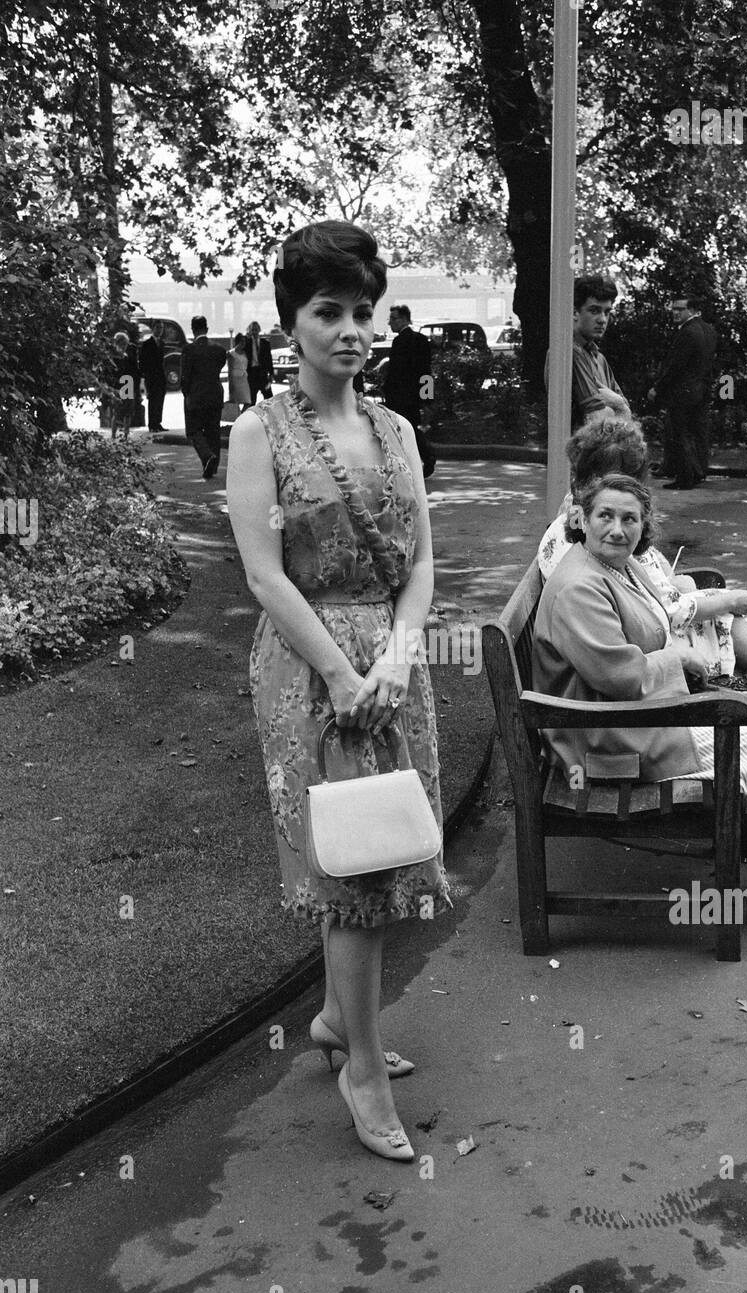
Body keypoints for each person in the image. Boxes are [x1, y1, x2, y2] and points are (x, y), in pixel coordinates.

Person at [226, 220, 450, 1163]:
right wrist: (342, 671)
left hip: (393, 670)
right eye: (329, 312)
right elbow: (264, 574)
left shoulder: (397, 428)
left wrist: (397, 658)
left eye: (364, 310)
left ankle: (332, 1020)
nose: (351, 329)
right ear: (291, 323)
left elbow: (424, 564)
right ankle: (360, 1064)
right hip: (311, 668)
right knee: (350, 878)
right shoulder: (258, 431)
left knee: (387, 853)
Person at [532, 472, 747, 922]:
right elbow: (621, 677)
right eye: (605, 516)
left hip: (634, 713)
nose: (617, 529)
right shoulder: (580, 586)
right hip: (600, 737)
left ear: (644, 525)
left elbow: (657, 625)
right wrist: (678, 660)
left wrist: (680, 659)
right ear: (582, 518)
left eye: (630, 519)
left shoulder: (617, 564)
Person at [538, 417, 747, 739]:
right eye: (625, 479)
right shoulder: (583, 547)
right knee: (732, 625)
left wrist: (681, 589)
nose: (618, 524)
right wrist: (703, 620)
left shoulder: (597, 528)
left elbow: (643, 596)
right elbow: (618, 660)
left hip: (642, 663)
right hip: (619, 708)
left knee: (746, 652)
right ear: (598, 480)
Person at [647, 294, 718, 489]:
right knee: (698, 432)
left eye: (680, 309)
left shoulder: (687, 332)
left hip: (683, 392)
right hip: (702, 390)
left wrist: (657, 388)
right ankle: (699, 472)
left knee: (680, 434)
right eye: (673, 309)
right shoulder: (709, 330)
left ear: (693, 311)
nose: (675, 313)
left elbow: (675, 367)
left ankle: (685, 478)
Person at [544, 273, 631, 428]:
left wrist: (617, 405)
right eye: (594, 310)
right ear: (574, 312)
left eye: (606, 312)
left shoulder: (599, 357)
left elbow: (624, 410)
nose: (603, 319)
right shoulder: (567, 350)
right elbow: (598, 420)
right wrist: (618, 404)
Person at [382, 305, 436, 477]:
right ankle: (425, 457)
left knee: (406, 429)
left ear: (404, 319)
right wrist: (427, 398)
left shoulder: (399, 342)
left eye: (393, 319)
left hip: (400, 396)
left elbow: (395, 374)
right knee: (410, 428)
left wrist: (387, 391)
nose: (390, 323)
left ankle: (427, 456)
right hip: (414, 396)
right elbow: (426, 371)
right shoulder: (421, 340)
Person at [181, 315, 227, 479]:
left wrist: (186, 393)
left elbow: (185, 377)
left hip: (196, 394)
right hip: (215, 393)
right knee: (213, 431)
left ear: (192, 330)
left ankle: (207, 457)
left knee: (194, 430)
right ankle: (212, 466)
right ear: (207, 329)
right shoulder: (219, 350)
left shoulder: (189, 350)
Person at [108, 331, 139, 440]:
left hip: (128, 384)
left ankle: (126, 433)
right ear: (117, 344)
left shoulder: (127, 357)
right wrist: (112, 388)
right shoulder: (113, 358)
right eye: (123, 344)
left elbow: (133, 372)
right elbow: (111, 374)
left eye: (126, 344)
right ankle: (113, 435)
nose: (125, 347)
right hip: (118, 387)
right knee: (117, 412)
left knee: (128, 412)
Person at [139, 319, 167, 435]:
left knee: (160, 399)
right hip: (151, 376)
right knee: (152, 400)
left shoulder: (162, 343)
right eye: (157, 328)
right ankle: (152, 424)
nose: (159, 330)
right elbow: (143, 361)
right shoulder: (147, 344)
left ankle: (158, 422)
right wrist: (145, 375)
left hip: (160, 376)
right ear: (153, 329)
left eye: (161, 328)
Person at [245, 320, 274, 403]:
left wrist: (271, 373)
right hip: (251, 374)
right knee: (251, 400)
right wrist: (247, 337)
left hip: (263, 373)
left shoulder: (265, 343)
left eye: (256, 329)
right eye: (252, 330)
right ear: (249, 331)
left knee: (269, 399)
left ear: (259, 330)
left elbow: (269, 359)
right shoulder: (246, 342)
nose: (254, 332)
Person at [227, 332, 252, 411]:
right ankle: (236, 418)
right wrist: (231, 385)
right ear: (237, 342)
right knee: (235, 402)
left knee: (248, 401)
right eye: (241, 341)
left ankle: (240, 416)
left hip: (244, 378)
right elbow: (230, 370)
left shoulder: (245, 353)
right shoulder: (231, 353)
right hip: (235, 379)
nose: (243, 343)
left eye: (244, 341)